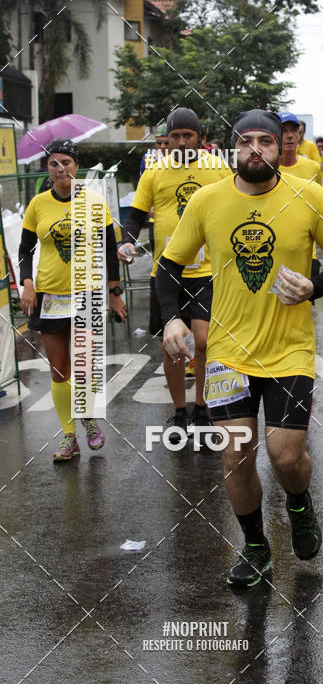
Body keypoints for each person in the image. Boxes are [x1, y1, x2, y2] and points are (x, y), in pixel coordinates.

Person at [157, 109, 323, 588]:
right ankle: (255, 545)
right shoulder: (207, 200)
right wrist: (171, 318)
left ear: (279, 147)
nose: (255, 149)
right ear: (232, 150)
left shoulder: (308, 196)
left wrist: (314, 287)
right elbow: (168, 267)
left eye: (265, 140)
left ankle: (299, 503)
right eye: (245, 141)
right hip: (227, 353)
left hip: (289, 350)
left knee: (286, 456)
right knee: (236, 455)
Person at [118, 108, 230, 441]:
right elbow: (136, 215)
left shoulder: (218, 167)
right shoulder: (154, 171)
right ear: (167, 140)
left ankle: (203, 408)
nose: (181, 142)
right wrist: (126, 241)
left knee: (204, 342)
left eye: (187, 135)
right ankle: (180, 411)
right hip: (166, 270)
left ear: (200, 138)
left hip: (207, 270)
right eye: (175, 136)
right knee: (172, 346)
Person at [18, 139, 127, 461]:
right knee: (58, 370)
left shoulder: (95, 202)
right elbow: (25, 248)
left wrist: (115, 293)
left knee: (84, 366)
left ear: (77, 166)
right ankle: (69, 437)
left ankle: (88, 418)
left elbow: (110, 250)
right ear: (48, 169)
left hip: (86, 294)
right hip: (49, 295)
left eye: (66, 162)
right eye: (54, 163)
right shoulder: (38, 204)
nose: (60, 168)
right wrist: (27, 283)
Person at [278, 113, 322, 277]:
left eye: (294, 130)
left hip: (308, 255)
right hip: (275, 252)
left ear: (299, 134)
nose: (290, 135)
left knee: (306, 294)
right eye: (284, 131)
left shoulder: (313, 168)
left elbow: (318, 208)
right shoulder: (266, 168)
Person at [140, 123, 170, 256]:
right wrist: (147, 207)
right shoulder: (148, 157)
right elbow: (142, 186)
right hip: (155, 216)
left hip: (176, 214)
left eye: (166, 143)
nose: (162, 146)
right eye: (159, 143)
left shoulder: (183, 158)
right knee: (158, 255)